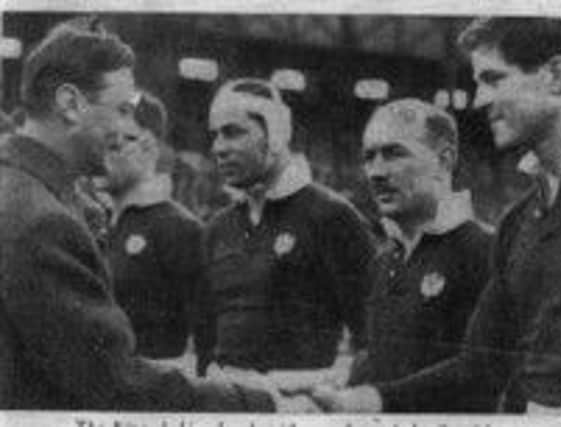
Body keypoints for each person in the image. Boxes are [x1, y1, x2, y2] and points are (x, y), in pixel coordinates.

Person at [312, 17, 561, 413]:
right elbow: (480, 367)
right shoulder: (518, 221)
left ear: (558, 77)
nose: (478, 100)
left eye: (493, 79)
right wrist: (361, 400)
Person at [0, 20, 275, 411]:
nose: (126, 126)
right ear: (70, 104)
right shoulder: (43, 221)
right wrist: (255, 404)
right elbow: (113, 383)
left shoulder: (22, 191)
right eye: (122, 109)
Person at [194, 78, 374, 380]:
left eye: (233, 133)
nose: (218, 148)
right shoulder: (216, 229)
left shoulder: (332, 216)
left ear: (275, 135)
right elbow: (205, 342)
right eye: (215, 136)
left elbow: (372, 335)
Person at [340, 98, 496, 412]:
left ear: (444, 160)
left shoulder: (486, 250)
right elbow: (377, 359)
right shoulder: (384, 260)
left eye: (394, 153)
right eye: (369, 157)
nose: (376, 172)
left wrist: (376, 400)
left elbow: (482, 371)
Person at [101, 91, 201, 366]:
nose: (101, 158)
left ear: (149, 147)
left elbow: (205, 340)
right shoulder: (93, 222)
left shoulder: (180, 229)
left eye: (114, 145)